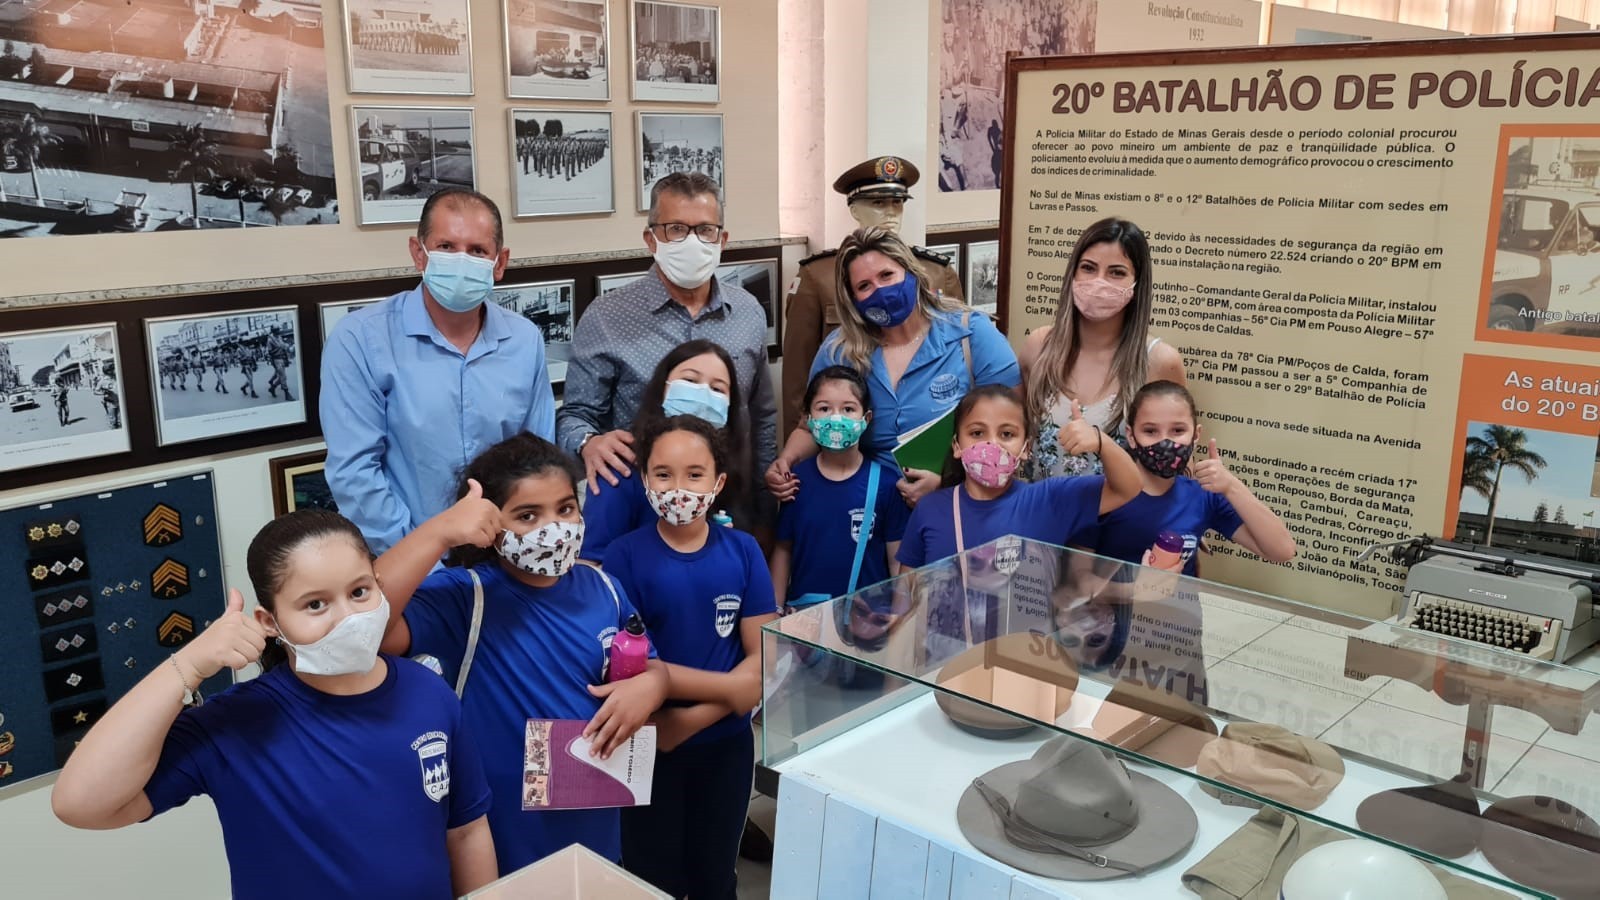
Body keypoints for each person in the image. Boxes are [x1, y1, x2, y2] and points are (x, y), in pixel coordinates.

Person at [51, 509, 497, 899]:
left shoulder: (429, 691)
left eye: (360, 592)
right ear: (270, 621)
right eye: (316, 604)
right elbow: (81, 803)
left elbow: (466, 830)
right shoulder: (235, 724)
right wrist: (186, 665)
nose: (348, 617)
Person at [376, 432, 669, 873]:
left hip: (594, 816)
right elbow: (370, 627)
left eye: (565, 509)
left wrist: (653, 683)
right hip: (500, 834)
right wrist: (439, 531)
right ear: (491, 526)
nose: (552, 528)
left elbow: (650, 664)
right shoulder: (466, 597)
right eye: (527, 515)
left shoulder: (605, 587)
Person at [321, 187, 556, 553]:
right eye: (446, 247)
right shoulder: (361, 340)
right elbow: (355, 474)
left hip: (505, 554)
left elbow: (539, 460)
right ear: (419, 253)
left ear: (500, 263)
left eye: (478, 251)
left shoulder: (524, 340)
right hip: (406, 557)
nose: (461, 260)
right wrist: (420, 554)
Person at [605, 416, 777, 900]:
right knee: (650, 876)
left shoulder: (743, 552)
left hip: (724, 748)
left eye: (694, 474)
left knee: (714, 875)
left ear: (718, 483)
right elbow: (634, 667)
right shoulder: (624, 557)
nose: (678, 488)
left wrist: (690, 720)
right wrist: (730, 691)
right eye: (663, 474)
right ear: (644, 480)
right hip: (647, 746)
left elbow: (761, 658)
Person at [558, 172, 776, 521]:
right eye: (676, 229)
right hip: (640, 510)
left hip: (730, 506)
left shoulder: (748, 312)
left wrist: (766, 506)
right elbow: (575, 416)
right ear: (651, 238)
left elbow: (761, 416)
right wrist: (588, 442)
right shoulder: (607, 316)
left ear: (722, 239)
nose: (693, 241)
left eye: (705, 230)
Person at [766, 227, 1019, 509]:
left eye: (887, 275)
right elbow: (811, 427)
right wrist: (787, 460)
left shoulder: (970, 334)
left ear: (910, 271)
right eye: (865, 286)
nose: (881, 291)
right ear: (853, 300)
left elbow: (1012, 429)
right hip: (869, 510)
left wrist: (947, 482)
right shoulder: (840, 351)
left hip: (961, 504)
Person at [781, 156, 965, 435]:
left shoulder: (936, 272)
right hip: (847, 436)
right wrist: (805, 465)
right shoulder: (817, 277)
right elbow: (798, 381)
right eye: (878, 204)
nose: (890, 213)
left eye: (897, 203)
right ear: (854, 210)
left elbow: (961, 352)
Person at [897, 384, 1141, 568]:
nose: (992, 444)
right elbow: (906, 596)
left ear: (1026, 447)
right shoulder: (930, 508)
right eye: (977, 432)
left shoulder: (1049, 500)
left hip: (1021, 636)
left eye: (1006, 434)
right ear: (957, 446)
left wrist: (1101, 441)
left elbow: (1127, 487)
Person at [1019, 217, 1186, 481]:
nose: (1099, 281)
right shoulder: (1039, 347)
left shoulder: (1159, 361)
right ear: (1073, 273)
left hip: (1122, 519)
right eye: (1088, 268)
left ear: (1137, 282)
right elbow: (1014, 440)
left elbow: (1172, 465)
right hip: (1041, 516)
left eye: (1116, 272)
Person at [1075, 380, 1296, 575]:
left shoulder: (1203, 496)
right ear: (1132, 436)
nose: (1165, 442)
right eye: (1150, 431)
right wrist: (1135, 592)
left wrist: (1231, 486)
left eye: (1178, 430)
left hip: (1178, 620)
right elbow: (1078, 585)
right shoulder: (1104, 494)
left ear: (1196, 435)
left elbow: (1282, 550)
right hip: (1117, 621)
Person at [578, 339, 749, 565]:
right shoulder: (621, 468)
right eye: (689, 380)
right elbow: (590, 566)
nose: (703, 394)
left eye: (717, 389)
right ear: (663, 388)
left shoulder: (727, 469)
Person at [770, 366, 908, 612]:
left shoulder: (887, 485)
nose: (836, 419)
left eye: (848, 409)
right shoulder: (795, 482)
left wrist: (900, 622)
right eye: (824, 409)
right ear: (808, 419)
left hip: (868, 624)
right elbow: (783, 551)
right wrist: (775, 610)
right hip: (805, 620)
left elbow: (898, 565)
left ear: (865, 419)